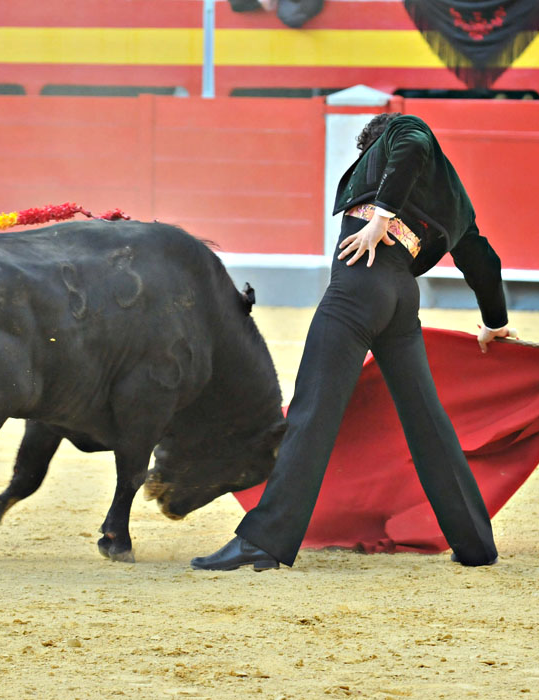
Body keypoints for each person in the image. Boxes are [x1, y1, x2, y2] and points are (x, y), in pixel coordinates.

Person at [192, 113, 516, 572]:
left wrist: (380, 218)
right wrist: (494, 321)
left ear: (372, 148)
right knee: (429, 425)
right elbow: (483, 261)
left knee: (312, 411)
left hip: (359, 287)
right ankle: (476, 545)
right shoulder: (455, 201)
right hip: (401, 300)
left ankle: (264, 542)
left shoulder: (400, 132)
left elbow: (414, 136)